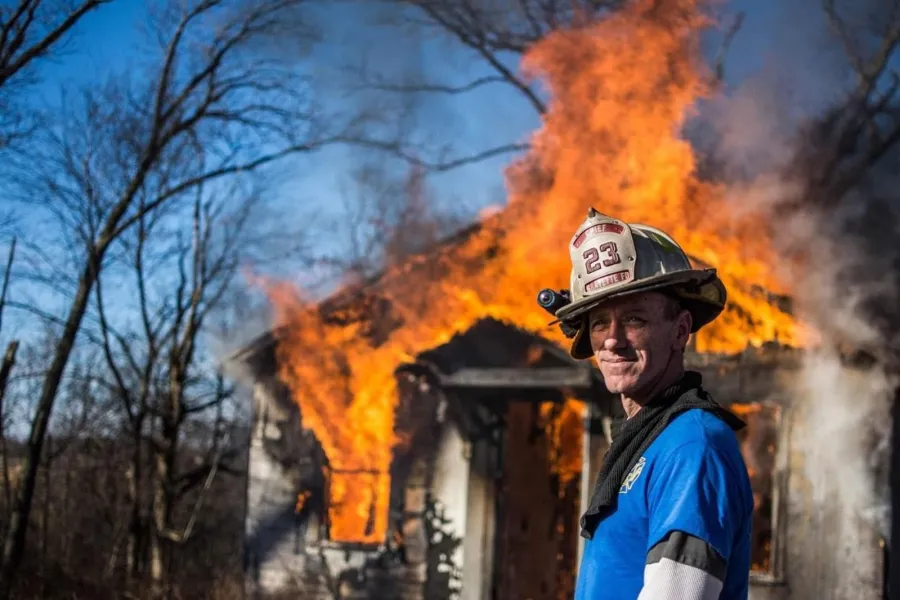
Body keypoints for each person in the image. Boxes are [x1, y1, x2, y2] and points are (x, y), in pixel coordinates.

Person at [553, 208, 754, 600]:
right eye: (598, 322)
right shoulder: (647, 442)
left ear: (680, 331)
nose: (612, 340)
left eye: (633, 319)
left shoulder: (691, 447)